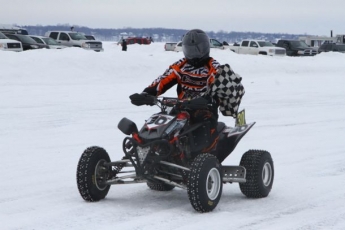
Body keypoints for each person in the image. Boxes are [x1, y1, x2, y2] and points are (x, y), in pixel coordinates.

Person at [130, 29, 244, 151]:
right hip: (181, 108)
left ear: (205, 48)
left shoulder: (214, 67)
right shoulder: (180, 66)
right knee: (160, 118)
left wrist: (208, 100)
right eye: (190, 50)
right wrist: (146, 94)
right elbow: (161, 81)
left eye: (197, 49)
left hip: (204, 108)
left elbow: (216, 89)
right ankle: (145, 145)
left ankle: (203, 154)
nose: (193, 54)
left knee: (203, 123)